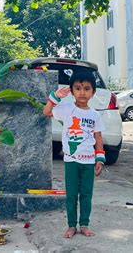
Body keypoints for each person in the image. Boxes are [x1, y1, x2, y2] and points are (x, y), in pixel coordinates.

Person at [43, 73, 104, 239]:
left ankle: (84, 224)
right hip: (71, 160)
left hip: (89, 161)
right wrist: (55, 97)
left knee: (86, 195)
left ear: (93, 92)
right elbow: (46, 111)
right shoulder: (67, 110)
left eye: (86, 89)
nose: (82, 93)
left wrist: (100, 158)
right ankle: (71, 226)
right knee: (71, 195)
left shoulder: (95, 115)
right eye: (77, 89)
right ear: (71, 91)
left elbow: (98, 137)